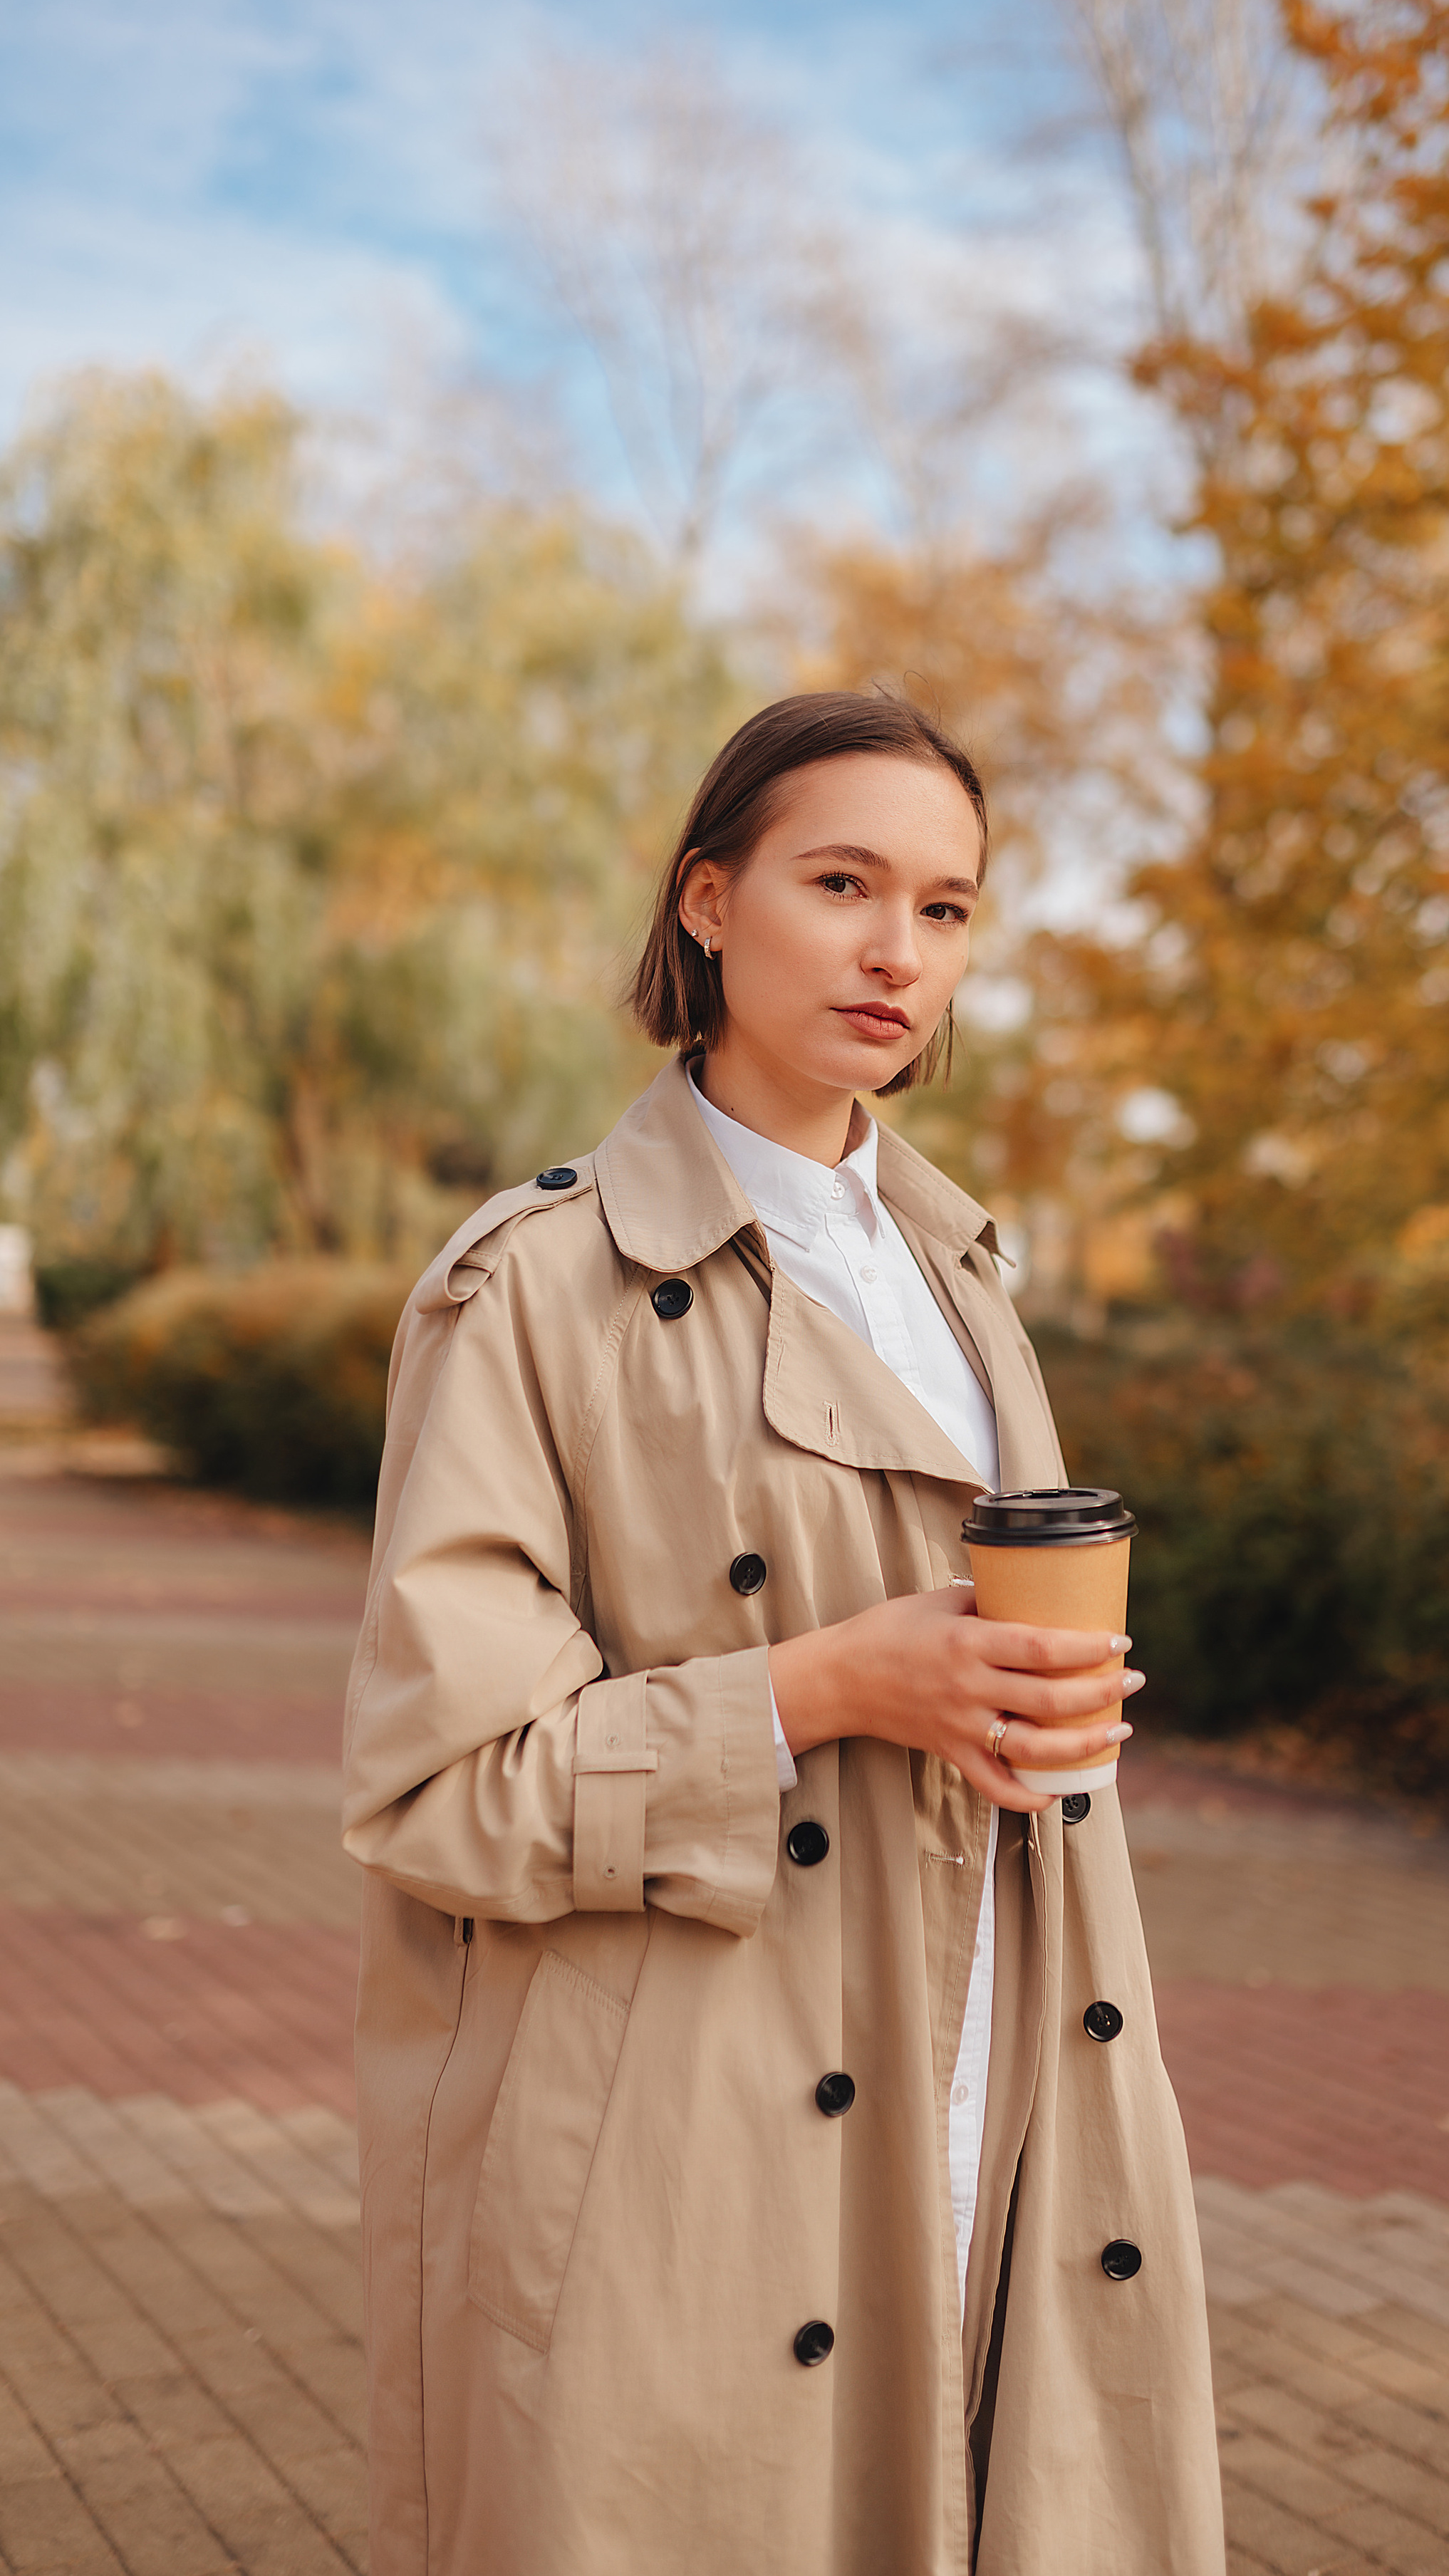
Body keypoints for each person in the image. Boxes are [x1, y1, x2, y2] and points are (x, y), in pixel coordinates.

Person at [343, 692, 1225, 2575]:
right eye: (843, 885)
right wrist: (823, 1688)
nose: (899, 950)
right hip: (697, 2132)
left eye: (947, 908)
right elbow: (442, 1789)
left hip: (1000, 2063)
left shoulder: (962, 1277)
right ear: (709, 904)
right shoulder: (540, 1291)